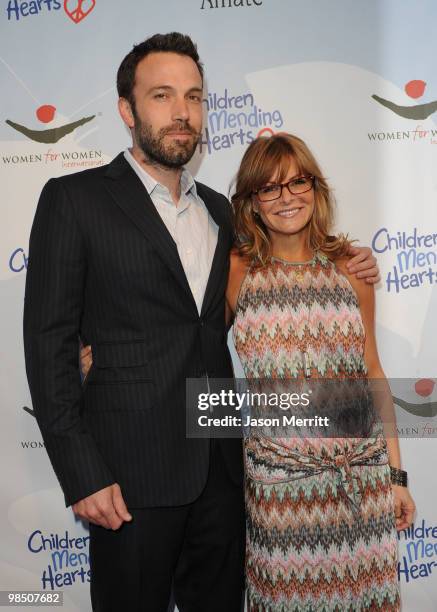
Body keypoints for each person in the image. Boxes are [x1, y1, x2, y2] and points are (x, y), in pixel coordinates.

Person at [24, 33, 379, 612]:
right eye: (161, 95)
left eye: (193, 96)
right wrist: (82, 473)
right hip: (128, 478)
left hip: (225, 476)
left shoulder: (221, 210)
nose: (181, 111)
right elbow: (47, 346)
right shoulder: (75, 200)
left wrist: (349, 260)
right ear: (126, 109)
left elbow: (281, 277)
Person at [226, 133, 415, 611]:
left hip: (360, 486)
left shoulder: (351, 269)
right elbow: (183, 339)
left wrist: (396, 476)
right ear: (251, 201)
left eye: (297, 182)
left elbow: (373, 372)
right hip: (280, 495)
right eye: (269, 188)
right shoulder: (237, 270)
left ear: (316, 187)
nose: (286, 197)